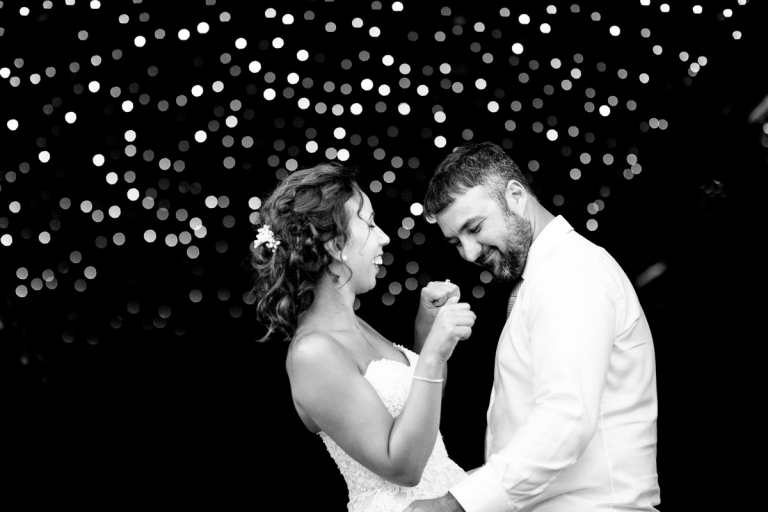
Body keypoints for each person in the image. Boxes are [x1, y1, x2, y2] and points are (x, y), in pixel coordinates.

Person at [404, 142, 660, 512]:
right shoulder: (546, 275)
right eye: (455, 242)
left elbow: (565, 420)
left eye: (474, 228)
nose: (470, 253)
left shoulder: (567, 273)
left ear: (515, 195)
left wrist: (454, 504)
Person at [250, 163, 475, 512]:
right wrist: (431, 355)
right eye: (369, 224)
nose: (383, 237)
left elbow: (421, 417)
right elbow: (402, 466)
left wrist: (425, 331)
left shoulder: (355, 324)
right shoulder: (312, 352)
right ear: (337, 244)